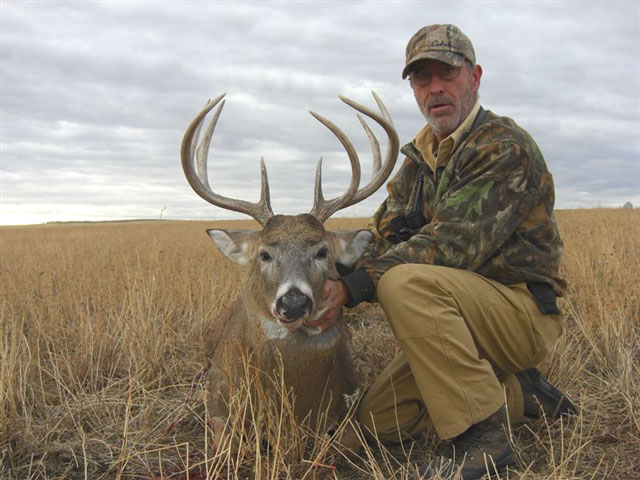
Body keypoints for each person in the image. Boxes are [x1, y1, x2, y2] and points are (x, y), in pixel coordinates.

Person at [320, 24, 576, 479]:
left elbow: (450, 245)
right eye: (422, 79)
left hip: (517, 311)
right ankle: (516, 388)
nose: (435, 88)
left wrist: (354, 288)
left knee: (402, 281)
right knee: (379, 420)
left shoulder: (503, 147)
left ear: (474, 77)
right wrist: (320, 271)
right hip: (460, 319)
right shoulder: (419, 159)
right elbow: (382, 234)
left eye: (448, 73)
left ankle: (483, 438)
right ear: (414, 90)